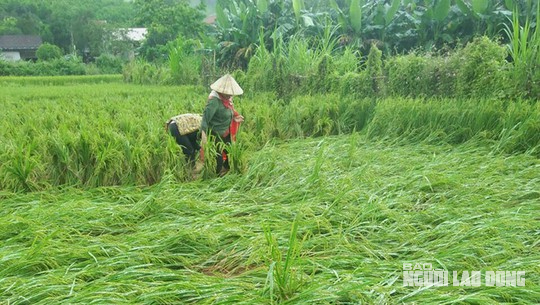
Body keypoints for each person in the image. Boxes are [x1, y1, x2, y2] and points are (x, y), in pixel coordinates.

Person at [200, 74, 244, 176]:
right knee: (218, 158)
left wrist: (234, 117)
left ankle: (225, 172)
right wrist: (204, 136)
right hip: (215, 133)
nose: (230, 95)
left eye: (231, 93)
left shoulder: (227, 100)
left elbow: (228, 112)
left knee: (231, 153)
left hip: (225, 132)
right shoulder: (214, 101)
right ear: (221, 91)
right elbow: (205, 120)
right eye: (227, 93)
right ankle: (215, 178)